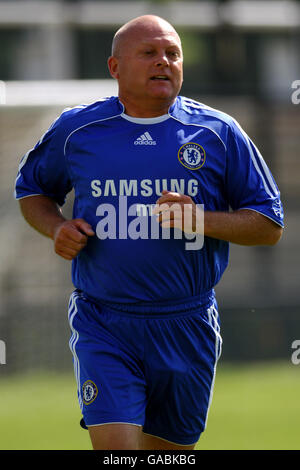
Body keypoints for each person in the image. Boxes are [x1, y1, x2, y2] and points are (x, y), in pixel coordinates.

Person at [15, 15, 284, 451]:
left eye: (172, 54)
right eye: (149, 53)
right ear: (115, 67)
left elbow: (269, 225)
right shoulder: (77, 130)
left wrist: (201, 219)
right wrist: (56, 227)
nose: (164, 62)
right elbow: (32, 191)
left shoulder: (219, 133)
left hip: (187, 323)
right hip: (104, 320)